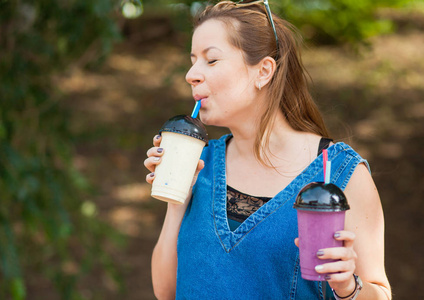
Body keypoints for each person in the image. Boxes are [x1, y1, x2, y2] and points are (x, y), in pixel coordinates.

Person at [144, 1, 392, 299]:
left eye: (210, 60)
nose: (191, 74)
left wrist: (348, 287)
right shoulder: (200, 163)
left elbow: (379, 292)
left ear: (263, 71)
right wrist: (177, 198)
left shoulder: (340, 173)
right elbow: (166, 291)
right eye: (193, 60)